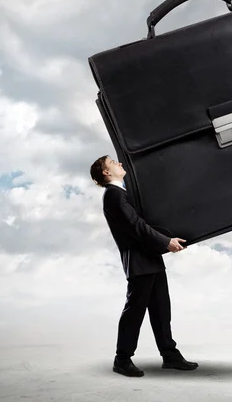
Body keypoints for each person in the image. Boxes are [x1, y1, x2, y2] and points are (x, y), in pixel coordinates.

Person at [90, 155, 198, 377]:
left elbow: (143, 224)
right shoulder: (113, 195)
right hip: (139, 261)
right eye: (113, 162)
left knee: (161, 309)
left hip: (149, 258)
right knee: (135, 312)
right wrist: (166, 242)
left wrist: (165, 239)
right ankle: (122, 359)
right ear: (106, 173)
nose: (119, 163)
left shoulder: (121, 193)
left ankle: (170, 355)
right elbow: (136, 226)